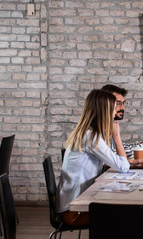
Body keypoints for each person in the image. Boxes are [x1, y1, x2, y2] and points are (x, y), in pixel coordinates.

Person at [56, 89, 133, 226]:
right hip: (74, 212)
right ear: (104, 111)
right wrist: (116, 136)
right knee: (130, 214)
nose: (115, 113)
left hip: (73, 205)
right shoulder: (91, 137)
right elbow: (123, 166)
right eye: (113, 109)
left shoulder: (87, 133)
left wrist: (133, 162)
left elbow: (106, 161)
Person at [101, 84, 143, 158]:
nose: (123, 107)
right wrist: (142, 148)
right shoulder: (98, 128)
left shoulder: (109, 125)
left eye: (123, 103)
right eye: (118, 103)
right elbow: (113, 156)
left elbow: (119, 147)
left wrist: (142, 145)